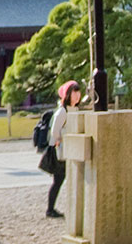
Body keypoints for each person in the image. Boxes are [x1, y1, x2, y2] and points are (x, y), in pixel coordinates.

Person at [41, 80, 81, 218]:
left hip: (71, 148)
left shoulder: (75, 110)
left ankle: (67, 208)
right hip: (60, 151)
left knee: (71, 180)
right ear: (67, 95)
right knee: (58, 180)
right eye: (74, 92)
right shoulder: (62, 111)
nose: (77, 95)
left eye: (78, 92)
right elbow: (54, 131)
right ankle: (50, 209)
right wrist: (61, 139)